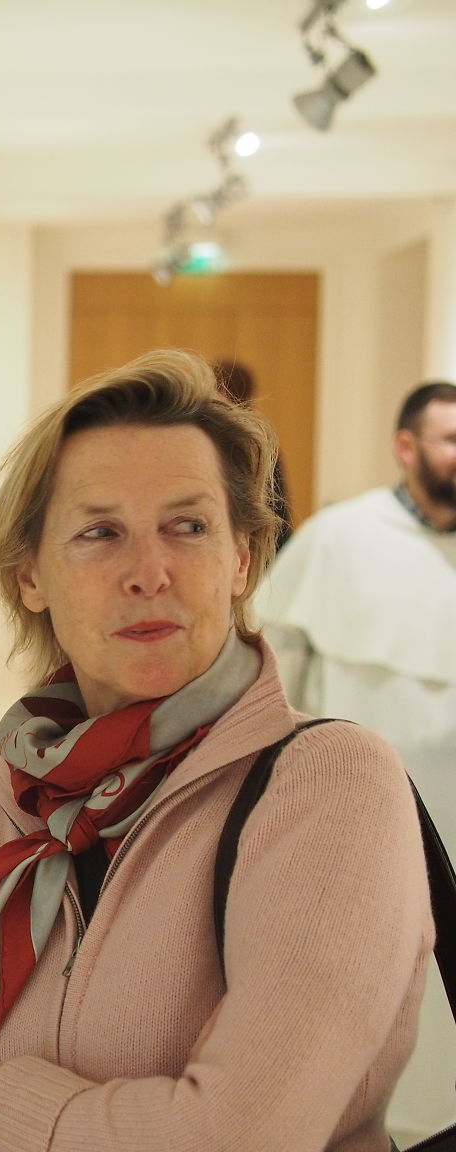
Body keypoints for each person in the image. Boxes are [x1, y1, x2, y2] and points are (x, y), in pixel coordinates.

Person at [0, 349, 431, 1151]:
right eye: (99, 533)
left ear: (240, 559)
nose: (150, 573)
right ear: (31, 577)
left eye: (189, 527)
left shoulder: (329, 785)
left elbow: (236, 1138)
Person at [257, 378, 456, 1139]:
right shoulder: (340, 540)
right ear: (406, 447)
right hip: (368, 823)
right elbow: (278, 674)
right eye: (450, 439)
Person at [212, 358, 292, 552]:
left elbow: (275, 512)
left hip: (250, 546)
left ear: (224, 392)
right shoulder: (261, 440)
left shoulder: (250, 443)